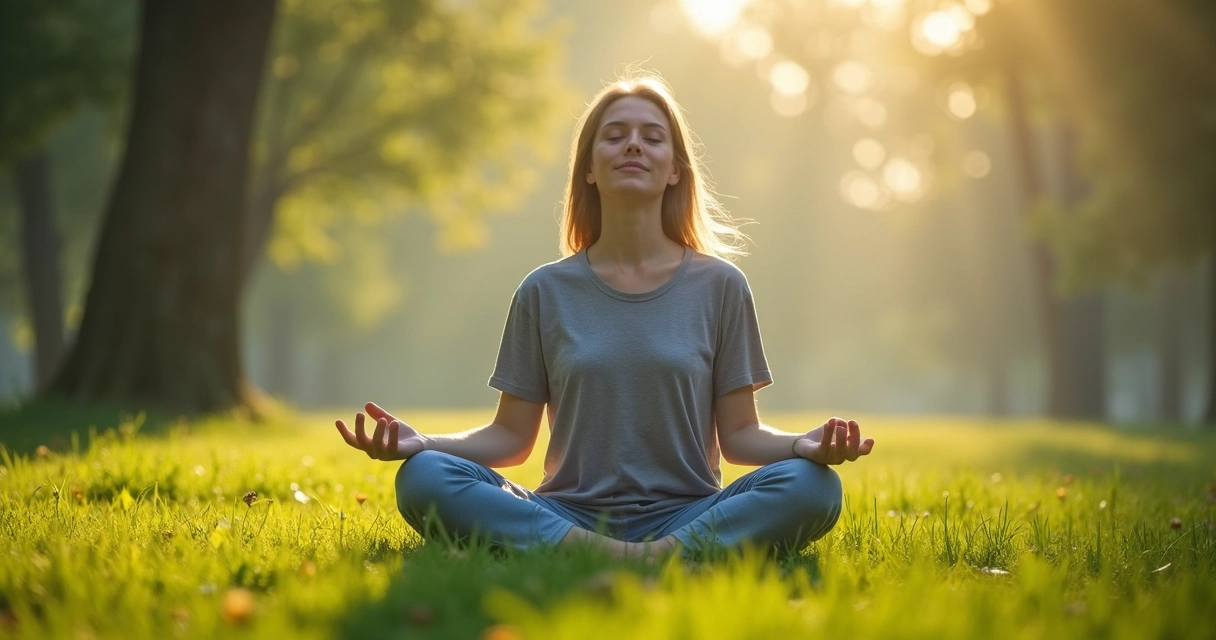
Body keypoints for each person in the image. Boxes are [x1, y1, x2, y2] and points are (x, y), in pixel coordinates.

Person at [335, 71, 875, 558]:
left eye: (652, 136)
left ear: (674, 172)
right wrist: (422, 443)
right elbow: (510, 438)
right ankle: (633, 558)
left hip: (688, 513)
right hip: (567, 514)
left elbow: (740, 437)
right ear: (589, 169)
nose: (633, 144)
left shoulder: (722, 287)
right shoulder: (544, 290)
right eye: (614, 135)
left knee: (815, 485)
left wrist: (803, 446)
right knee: (424, 478)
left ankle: (658, 555)